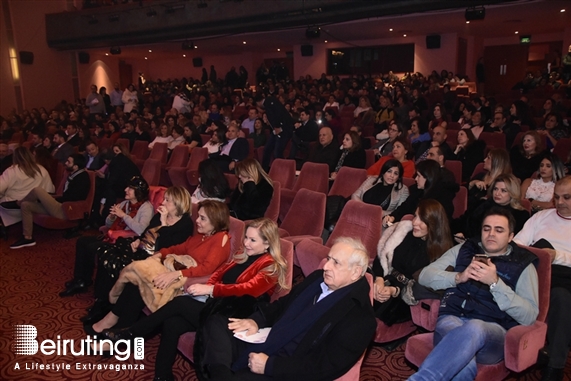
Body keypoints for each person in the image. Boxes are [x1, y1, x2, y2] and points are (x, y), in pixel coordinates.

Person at [97, 218, 289, 381]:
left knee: (179, 303)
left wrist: (210, 289)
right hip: (216, 305)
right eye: (246, 237)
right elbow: (217, 274)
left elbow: (247, 290)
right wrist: (207, 289)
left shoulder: (270, 267)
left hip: (234, 315)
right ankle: (162, 376)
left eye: (252, 240)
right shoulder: (242, 256)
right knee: (172, 323)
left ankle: (130, 333)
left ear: (267, 244)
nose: (246, 243)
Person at [199, 236, 376, 381]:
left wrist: (269, 366)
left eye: (336, 263)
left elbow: (324, 367)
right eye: (328, 259)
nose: (326, 266)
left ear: (355, 272)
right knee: (217, 323)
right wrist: (256, 320)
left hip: (289, 367)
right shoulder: (317, 279)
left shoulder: (360, 318)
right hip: (272, 338)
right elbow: (283, 304)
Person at [409, 208, 539, 381]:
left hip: (492, 333)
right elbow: (425, 275)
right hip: (451, 318)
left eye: (499, 230)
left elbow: (530, 316)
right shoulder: (465, 248)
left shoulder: (523, 264)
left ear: (510, 236)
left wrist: (495, 283)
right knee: (463, 361)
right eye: (486, 228)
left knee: (475, 327)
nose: (491, 234)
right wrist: (458, 277)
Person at [514, 177, 571, 381]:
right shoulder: (541, 217)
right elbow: (517, 243)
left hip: (564, 276)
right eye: (557, 197)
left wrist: (557, 256)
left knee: (561, 298)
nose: (561, 202)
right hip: (536, 270)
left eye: (567, 197)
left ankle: (554, 368)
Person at [59, 176, 154, 297]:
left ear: (139, 191)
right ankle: (81, 280)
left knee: (92, 247)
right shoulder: (125, 203)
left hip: (126, 242)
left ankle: (94, 289)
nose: (125, 190)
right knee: (82, 241)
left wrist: (124, 216)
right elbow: (108, 224)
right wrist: (112, 217)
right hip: (113, 236)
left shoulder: (146, 207)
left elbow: (141, 230)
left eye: (130, 188)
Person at [372, 200, 453, 325]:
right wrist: (379, 279)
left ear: (433, 223)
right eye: (416, 216)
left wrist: (394, 290)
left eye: (422, 220)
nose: (415, 222)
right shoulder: (404, 233)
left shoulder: (442, 254)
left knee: (370, 309)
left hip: (405, 298)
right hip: (386, 281)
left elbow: (424, 288)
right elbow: (382, 255)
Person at [10, 154, 91, 249]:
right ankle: (27, 238)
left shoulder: (82, 178)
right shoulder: (73, 175)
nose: (65, 163)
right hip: (60, 205)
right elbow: (65, 196)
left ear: (76, 166)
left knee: (37, 190)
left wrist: (51, 199)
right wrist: (51, 199)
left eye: (69, 162)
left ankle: (17, 203)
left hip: (66, 210)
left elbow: (73, 198)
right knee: (26, 205)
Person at [454, 174, 530, 241]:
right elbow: (462, 221)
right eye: (495, 189)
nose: (497, 193)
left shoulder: (521, 215)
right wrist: (458, 233)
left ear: (512, 193)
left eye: (503, 191)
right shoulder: (481, 204)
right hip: (464, 242)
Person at [384, 159, 457, 225]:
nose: (415, 179)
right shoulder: (418, 192)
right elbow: (404, 208)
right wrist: (392, 217)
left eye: (418, 176)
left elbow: (437, 224)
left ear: (428, 177)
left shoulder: (443, 196)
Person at [0, 147, 54, 229]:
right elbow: (50, 190)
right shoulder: (41, 169)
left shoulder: (12, 170)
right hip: (33, 205)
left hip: (12, 206)